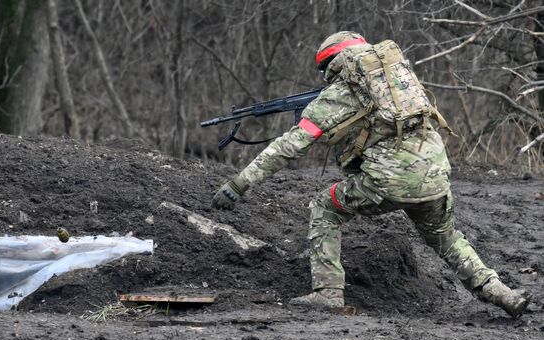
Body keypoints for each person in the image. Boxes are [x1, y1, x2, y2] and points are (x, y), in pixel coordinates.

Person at [211, 31, 531, 318]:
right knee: (447, 239)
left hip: (387, 181)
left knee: (324, 208)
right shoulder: (397, 82)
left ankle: (328, 294)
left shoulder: (339, 94)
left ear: (331, 65)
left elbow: (291, 144)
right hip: (435, 174)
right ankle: (503, 294)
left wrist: (239, 184)